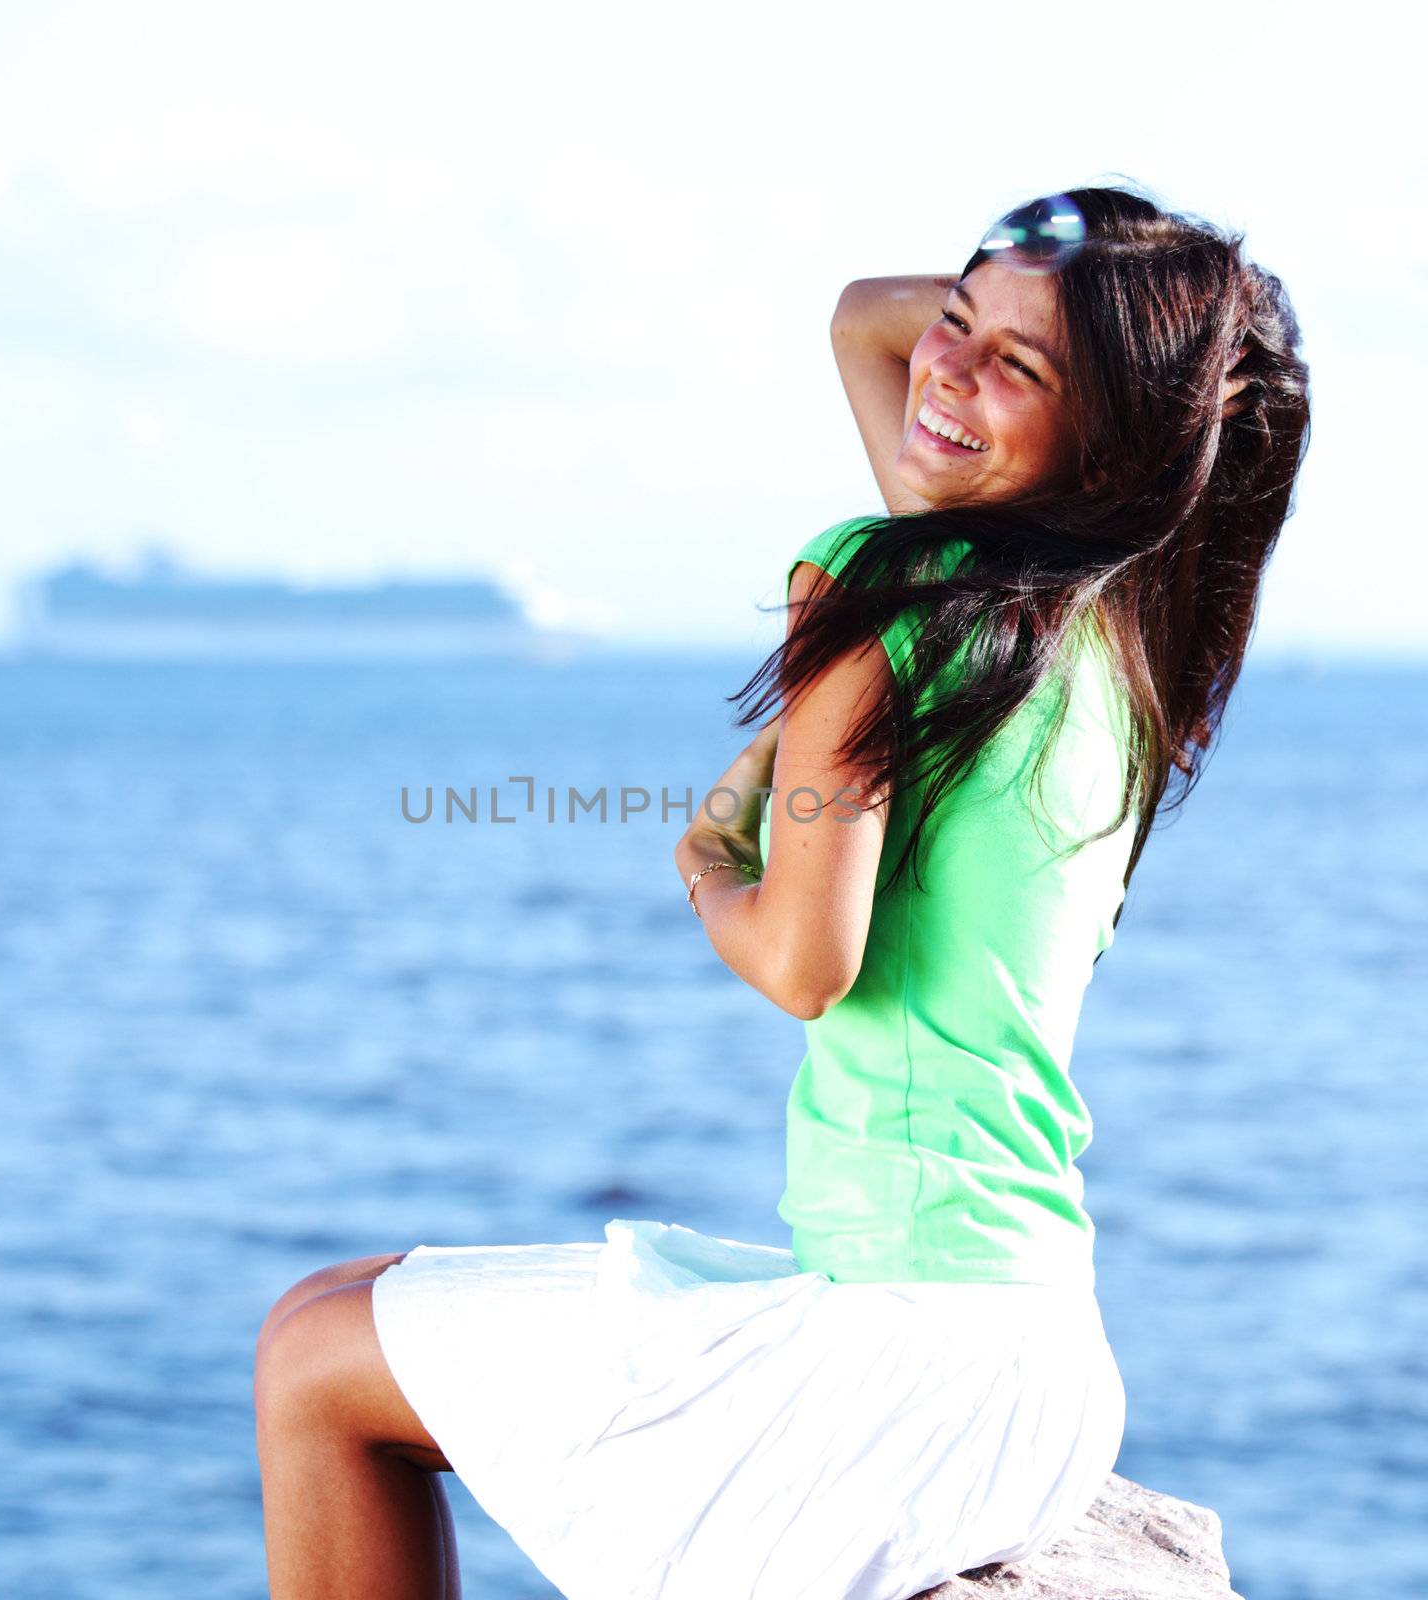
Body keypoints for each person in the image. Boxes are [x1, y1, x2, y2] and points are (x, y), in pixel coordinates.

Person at [251, 184, 1312, 1600]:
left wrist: (707, 875)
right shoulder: (1123, 629)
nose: (942, 371)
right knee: (348, 1301)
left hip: (904, 1365)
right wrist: (1065, 304)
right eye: (956, 325)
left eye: (1022, 367)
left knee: (311, 1367)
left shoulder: (884, 584)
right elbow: (862, 324)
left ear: (1114, 435)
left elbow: (805, 961)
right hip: (1039, 1371)